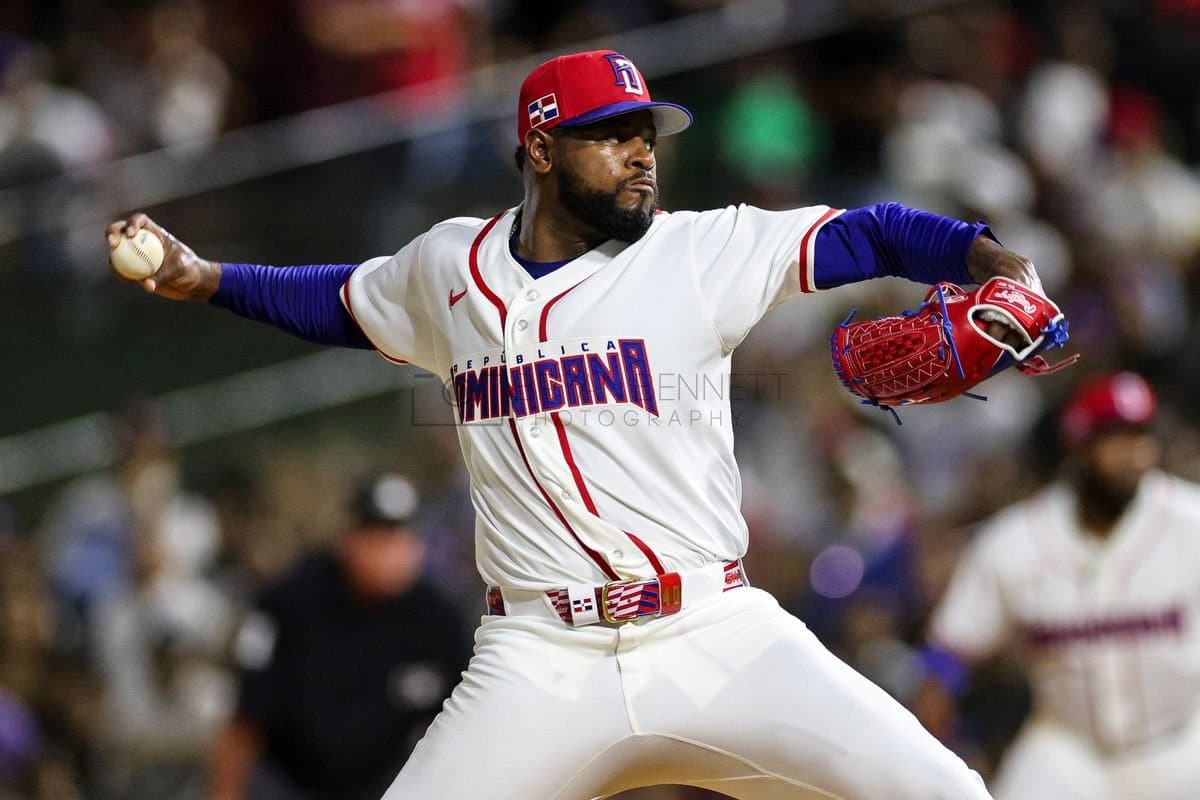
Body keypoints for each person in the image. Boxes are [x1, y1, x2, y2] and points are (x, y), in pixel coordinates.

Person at [107, 49, 1053, 799]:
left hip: (713, 632)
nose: (643, 153)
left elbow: (871, 231)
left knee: (939, 789)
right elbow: (341, 302)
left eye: (647, 134)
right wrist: (208, 279)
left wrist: (989, 258)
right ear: (543, 149)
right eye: (612, 135)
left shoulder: (699, 249)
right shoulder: (449, 269)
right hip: (538, 660)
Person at [921, 371, 1200, 800]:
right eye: (1116, 438)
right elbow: (952, 649)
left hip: (1180, 741)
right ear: (1080, 446)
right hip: (1069, 753)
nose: (1134, 454)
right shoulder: (1016, 539)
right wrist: (932, 719)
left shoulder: (1191, 521)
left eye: (1141, 436)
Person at [209, 472, 470, 800]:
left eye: (398, 535)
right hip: (292, 785)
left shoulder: (438, 617)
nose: (389, 550)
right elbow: (245, 722)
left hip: (388, 785)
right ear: (348, 537)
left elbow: (469, 727)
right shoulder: (290, 603)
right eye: (376, 535)